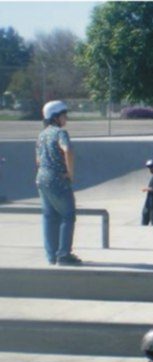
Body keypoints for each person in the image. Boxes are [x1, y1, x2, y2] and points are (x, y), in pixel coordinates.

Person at [36, 100, 80, 266]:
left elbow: (38, 159)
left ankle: (51, 256)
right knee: (68, 215)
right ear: (55, 117)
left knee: (49, 216)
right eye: (64, 115)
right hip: (57, 179)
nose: (66, 118)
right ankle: (63, 254)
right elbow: (67, 150)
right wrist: (70, 173)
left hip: (41, 178)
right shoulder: (60, 133)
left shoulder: (42, 135)